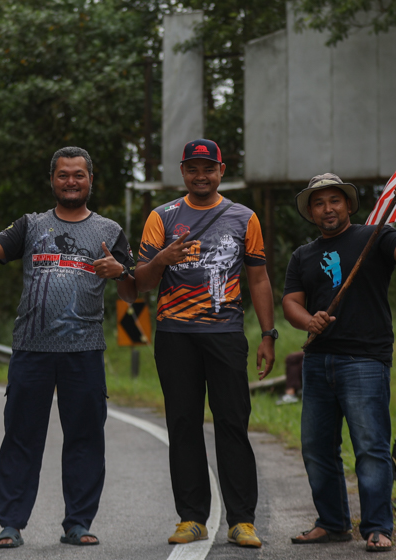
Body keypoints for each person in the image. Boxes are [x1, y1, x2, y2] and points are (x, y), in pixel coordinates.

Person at [0, 146, 136, 550]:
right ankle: (11, 524)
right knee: (21, 436)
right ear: (52, 180)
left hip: (84, 351)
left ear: (90, 180)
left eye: (78, 175)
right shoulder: (30, 226)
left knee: (85, 437)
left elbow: (133, 290)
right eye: (63, 174)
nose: (70, 181)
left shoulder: (109, 231)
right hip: (32, 349)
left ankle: (78, 523)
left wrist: (119, 271)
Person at [134, 138, 277, 549]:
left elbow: (259, 278)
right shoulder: (162, 217)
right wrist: (163, 259)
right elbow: (140, 282)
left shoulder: (243, 217)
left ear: (221, 170)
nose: (201, 176)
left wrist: (268, 335)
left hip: (226, 334)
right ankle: (192, 517)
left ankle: (242, 521)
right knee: (183, 425)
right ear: (183, 172)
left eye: (208, 168)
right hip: (175, 336)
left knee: (233, 422)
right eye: (193, 169)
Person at [282, 173, 396, 553]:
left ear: (348, 205)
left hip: (364, 360)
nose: (327, 208)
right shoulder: (303, 255)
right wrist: (307, 320)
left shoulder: (374, 237)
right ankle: (332, 523)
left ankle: (378, 527)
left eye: (334, 200)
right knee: (316, 447)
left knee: (369, 446)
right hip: (317, 361)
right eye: (318, 203)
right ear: (310, 211)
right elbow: (290, 303)